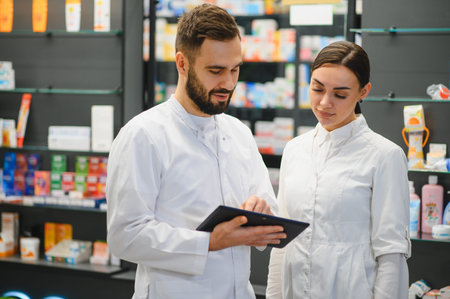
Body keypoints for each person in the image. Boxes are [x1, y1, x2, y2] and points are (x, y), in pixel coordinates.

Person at [106, 4, 286, 299]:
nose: (228, 83)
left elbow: (269, 207)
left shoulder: (238, 133)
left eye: (235, 69)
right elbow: (125, 236)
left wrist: (263, 210)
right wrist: (209, 242)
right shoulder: (145, 135)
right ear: (182, 63)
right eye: (215, 71)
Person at [266, 41, 411, 299]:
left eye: (340, 94)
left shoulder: (384, 156)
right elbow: (282, 242)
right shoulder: (295, 150)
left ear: (363, 92)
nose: (324, 103)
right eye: (317, 89)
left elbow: (391, 253)